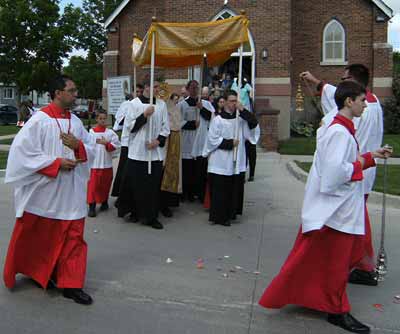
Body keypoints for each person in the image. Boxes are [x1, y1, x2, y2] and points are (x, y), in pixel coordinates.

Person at [259, 81, 392, 334]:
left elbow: (342, 163)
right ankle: (337, 310)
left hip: (338, 211)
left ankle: (325, 300)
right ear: (349, 102)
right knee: (338, 264)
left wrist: (371, 156)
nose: (366, 105)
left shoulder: (340, 127)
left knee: (332, 261)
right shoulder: (339, 132)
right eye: (362, 100)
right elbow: (334, 175)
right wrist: (361, 165)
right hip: (337, 212)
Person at [3, 75, 96, 305]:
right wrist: (55, 164)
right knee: (42, 238)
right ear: (57, 93)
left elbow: (92, 149)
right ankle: (39, 272)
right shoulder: (38, 121)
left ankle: (71, 285)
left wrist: (79, 147)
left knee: (74, 237)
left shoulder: (76, 122)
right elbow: (21, 154)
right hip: (46, 192)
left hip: (71, 192)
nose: (76, 95)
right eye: (72, 91)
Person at [301, 64, 384, 285]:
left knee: (348, 226)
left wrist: (314, 80)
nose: (341, 84)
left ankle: (361, 266)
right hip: (361, 170)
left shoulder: (343, 124)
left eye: (345, 79)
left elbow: (334, 171)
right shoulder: (373, 104)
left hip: (352, 176)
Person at [117, 80, 170, 229]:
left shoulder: (161, 105)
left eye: (158, 87)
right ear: (146, 87)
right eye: (154, 86)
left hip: (154, 153)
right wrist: (144, 115)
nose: (156, 89)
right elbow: (129, 127)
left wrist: (158, 141)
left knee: (152, 186)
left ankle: (151, 216)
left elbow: (166, 127)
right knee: (136, 185)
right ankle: (135, 212)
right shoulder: (134, 104)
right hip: (138, 151)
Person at [203, 90, 259, 226]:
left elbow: (253, 125)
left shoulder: (240, 120)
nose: (235, 103)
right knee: (220, 189)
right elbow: (212, 140)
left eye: (236, 101)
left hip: (236, 160)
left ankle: (231, 213)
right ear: (226, 102)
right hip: (220, 161)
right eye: (232, 101)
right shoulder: (218, 120)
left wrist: (243, 110)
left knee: (233, 188)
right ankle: (219, 217)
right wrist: (229, 143)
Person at [87, 110, 121, 217]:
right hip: (95, 164)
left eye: (104, 119)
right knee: (93, 186)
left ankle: (104, 202)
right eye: (100, 118)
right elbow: (88, 146)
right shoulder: (91, 132)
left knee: (105, 185)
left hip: (106, 164)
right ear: (96, 119)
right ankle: (92, 206)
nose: (102, 121)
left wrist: (107, 144)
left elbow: (117, 146)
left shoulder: (110, 133)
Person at [111, 91, 135, 205]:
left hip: (138, 143)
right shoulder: (126, 104)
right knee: (123, 169)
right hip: (127, 141)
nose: (138, 94)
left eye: (140, 92)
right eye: (137, 92)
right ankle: (120, 195)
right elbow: (120, 119)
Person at [191, 88, 215, 202]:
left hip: (202, 140)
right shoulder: (183, 103)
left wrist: (202, 108)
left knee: (202, 169)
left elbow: (212, 117)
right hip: (190, 139)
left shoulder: (207, 104)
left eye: (206, 94)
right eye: (202, 93)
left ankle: (202, 194)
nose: (204, 95)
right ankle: (193, 193)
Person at [160, 93, 182, 216]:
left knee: (171, 171)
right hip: (165, 142)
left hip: (174, 140)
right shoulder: (164, 108)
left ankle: (168, 203)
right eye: (175, 99)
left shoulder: (176, 108)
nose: (176, 101)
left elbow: (177, 125)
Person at [179, 80, 200, 202]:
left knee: (195, 169)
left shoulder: (201, 103)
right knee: (186, 168)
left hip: (197, 138)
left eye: (196, 88)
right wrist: (192, 124)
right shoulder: (182, 105)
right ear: (187, 89)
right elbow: (179, 121)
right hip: (186, 138)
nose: (194, 90)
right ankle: (184, 193)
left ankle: (194, 192)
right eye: (192, 88)